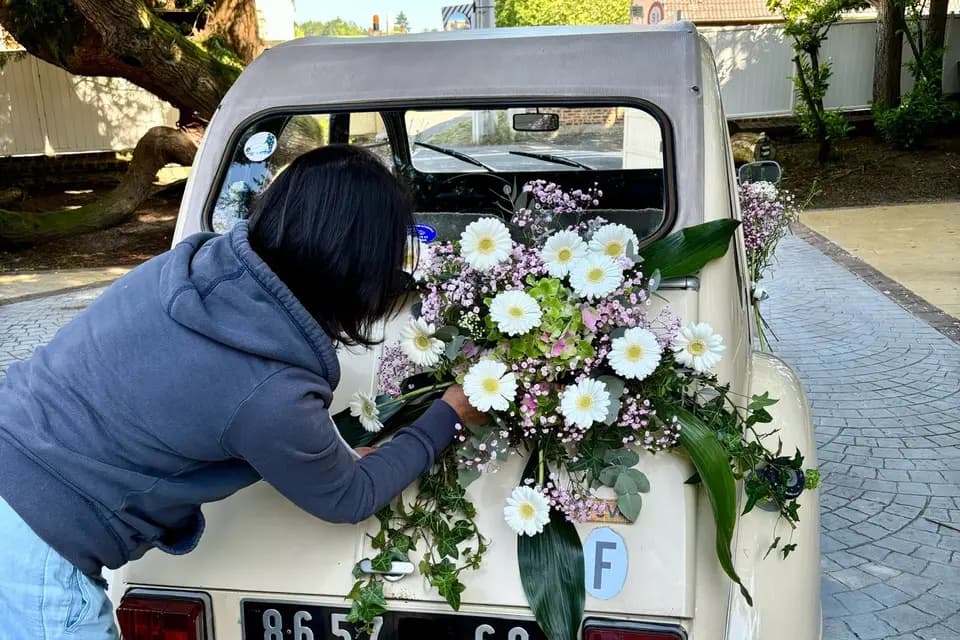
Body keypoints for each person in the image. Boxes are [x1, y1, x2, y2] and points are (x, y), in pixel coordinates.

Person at [0, 145, 481, 639]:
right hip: (37, 554)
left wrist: (330, 453)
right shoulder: (272, 385)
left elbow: (205, 399)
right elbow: (350, 496)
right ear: (361, 265)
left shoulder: (187, 267)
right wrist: (450, 412)